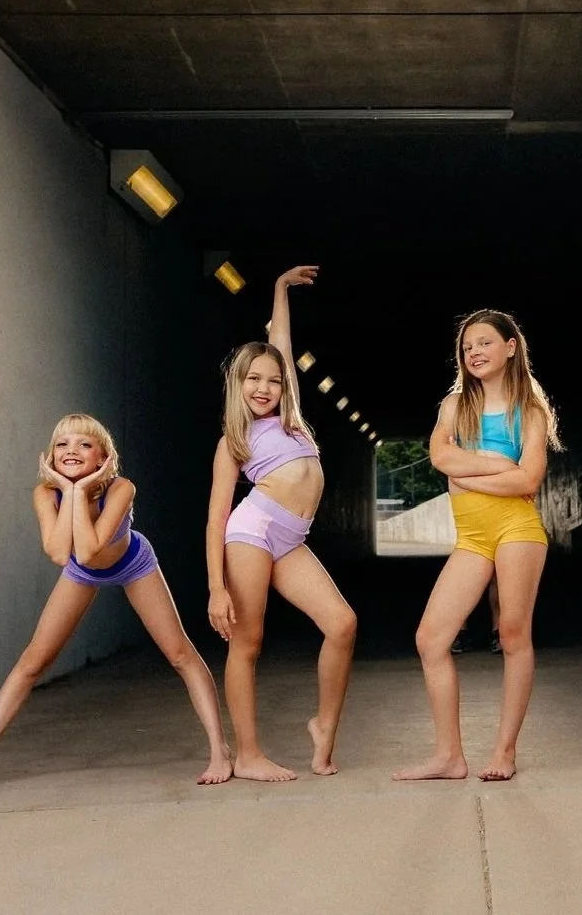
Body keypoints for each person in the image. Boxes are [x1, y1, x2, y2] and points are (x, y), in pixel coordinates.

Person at [0, 414, 231, 793]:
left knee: (179, 654)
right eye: (62, 445)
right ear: (50, 456)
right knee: (31, 663)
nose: (71, 451)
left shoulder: (122, 488)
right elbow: (63, 554)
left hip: (133, 562)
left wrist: (81, 490)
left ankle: (219, 750)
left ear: (104, 458)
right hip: (81, 570)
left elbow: (92, 545)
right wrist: (70, 490)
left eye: (84, 445)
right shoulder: (46, 494)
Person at [206, 267, 358, 781]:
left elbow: (282, 345)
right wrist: (215, 588)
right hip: (251, 532)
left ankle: (324, 724)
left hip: (292, 538)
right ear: (238, 384)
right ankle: (247, 755)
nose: (265, 387)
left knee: (342, 624)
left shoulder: (291, 418)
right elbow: (215, 518)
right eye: (254, 379)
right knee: (247, 642)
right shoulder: (234, 440)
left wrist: (279, 290)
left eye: (273, 380)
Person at [394, 310, 559, 782]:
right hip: (472, 537)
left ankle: (505, 751)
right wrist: (495, 467)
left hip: (517, 531)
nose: (475, 353)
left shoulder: (530, 412)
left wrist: (468, 471)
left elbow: (529, 478)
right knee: (431, 639)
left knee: (512, 634)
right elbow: (439, 457)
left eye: (485, 343)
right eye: (468, 347)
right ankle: (449, 755)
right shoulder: (455, 405)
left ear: (510, 347)